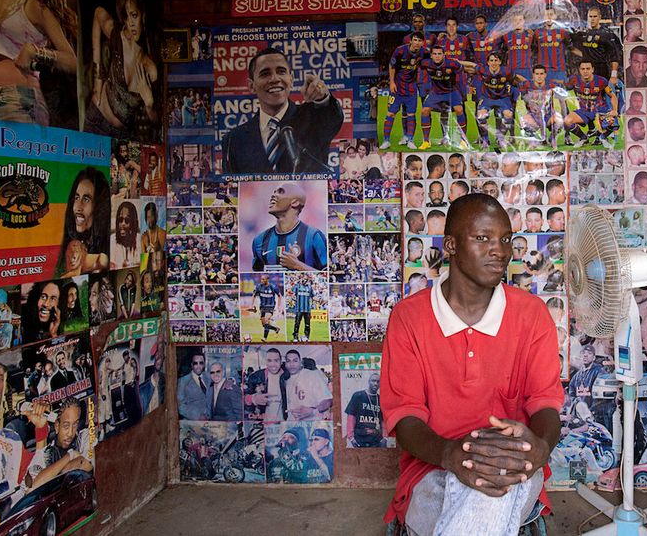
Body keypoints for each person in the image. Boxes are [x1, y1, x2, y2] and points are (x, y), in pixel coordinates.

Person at [380, 194, 563, 533]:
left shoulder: (531, 314)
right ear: (450, 245)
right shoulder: (409, 318)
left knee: (492, 490)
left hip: (515, 463)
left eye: (505, 239)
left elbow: (545, 404)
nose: (501, 250)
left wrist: (540, 446)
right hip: (435, 465)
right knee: (479, 499)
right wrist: (454, 456)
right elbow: (405, 419)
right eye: (483, 238)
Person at [221, 47, 342, 173]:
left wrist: (322, 97)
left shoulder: (314, 118)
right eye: (265, 73)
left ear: (291, 79)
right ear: (252, 86)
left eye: (281, 71)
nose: (274, 79)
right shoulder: (233, 140)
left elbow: (332, 116)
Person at [87, 0, 158, 139]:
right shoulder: (117, 36)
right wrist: (98, 79)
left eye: (134, 15)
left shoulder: (150, 68)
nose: (131, 23)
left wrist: (149, 104)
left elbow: (157, 123)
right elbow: (98, 13)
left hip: (121, 136)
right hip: (96, 120)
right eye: (126, 17)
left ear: (143, 16)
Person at [251, 183, 327, 271]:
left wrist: (297, 266)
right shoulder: (259, 240)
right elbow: (256, 276)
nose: (273, 195)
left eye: (280, 192)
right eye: (274, 192)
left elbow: (327, 279)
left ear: (295, 202)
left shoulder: (314, 236)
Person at [55, 168, 110, 277]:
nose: (77, 207)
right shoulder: (68, 244)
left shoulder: (103, 253)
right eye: (76, 198)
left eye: (86, 199)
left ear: (99, 206)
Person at [284, 349, 332, 420]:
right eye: (288, 361)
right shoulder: (284, 378)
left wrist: (312, 411)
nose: (291, 364)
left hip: (312, 424)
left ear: (301, 362)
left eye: (295, 360)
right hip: (290, 425)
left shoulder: (313, 375)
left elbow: (328, 401)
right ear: (285, 363)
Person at [244, 347, 287, 421]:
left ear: (281, 361)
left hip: (283, 423)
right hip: (262, 423)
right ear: (266, 362)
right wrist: (252, 399)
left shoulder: (287, 376)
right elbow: (242, 400)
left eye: (276, 360)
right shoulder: (256, 377)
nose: (273, 364)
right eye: (269, 361)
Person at [345, 372, 386, 447]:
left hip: (376, 440)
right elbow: (351, 417)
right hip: (360, 439)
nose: (375, 384)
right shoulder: (358, 396)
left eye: (378, 381)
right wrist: (351, 438)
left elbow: (383, 420)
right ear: (368, 381)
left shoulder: (381, 399)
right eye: (373, 381)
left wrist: (385, 438)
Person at [177, 352, 210, 420]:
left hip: (210, 421)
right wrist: (197, 416)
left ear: (204, 364)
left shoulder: (209, 377)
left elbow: (220, 379)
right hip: (192, 423)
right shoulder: (183, 381)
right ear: (192, 365)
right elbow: (180, 405)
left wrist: (229, 382)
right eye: (195, 363)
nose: (198, 366)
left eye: (201, 363)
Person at [255, 275, 282, 340]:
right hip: (262, 307)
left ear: (267, 280)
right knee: (264, 324)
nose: (261, 280)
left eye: (263, 279)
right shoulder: (259, 286)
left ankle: (264, 338)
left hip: (270, 307)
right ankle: (276, 329)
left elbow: (279, 296)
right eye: (261, 279)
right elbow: (254, 295)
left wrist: (278, 306)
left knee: (266, 320)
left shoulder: (273, 287)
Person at [292, 275, 313, 341]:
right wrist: (294, 299)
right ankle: (295, 337)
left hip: (307, 309)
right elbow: (293, 295)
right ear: (301, 279)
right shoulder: (297, 286)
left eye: (306, 279)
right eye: (304, 279)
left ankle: (306, 337)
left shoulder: (309, 287)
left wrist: (319, 300)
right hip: (299, 309)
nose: (305, 281)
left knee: (307, 324)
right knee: (297, 323)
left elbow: (313, 296)